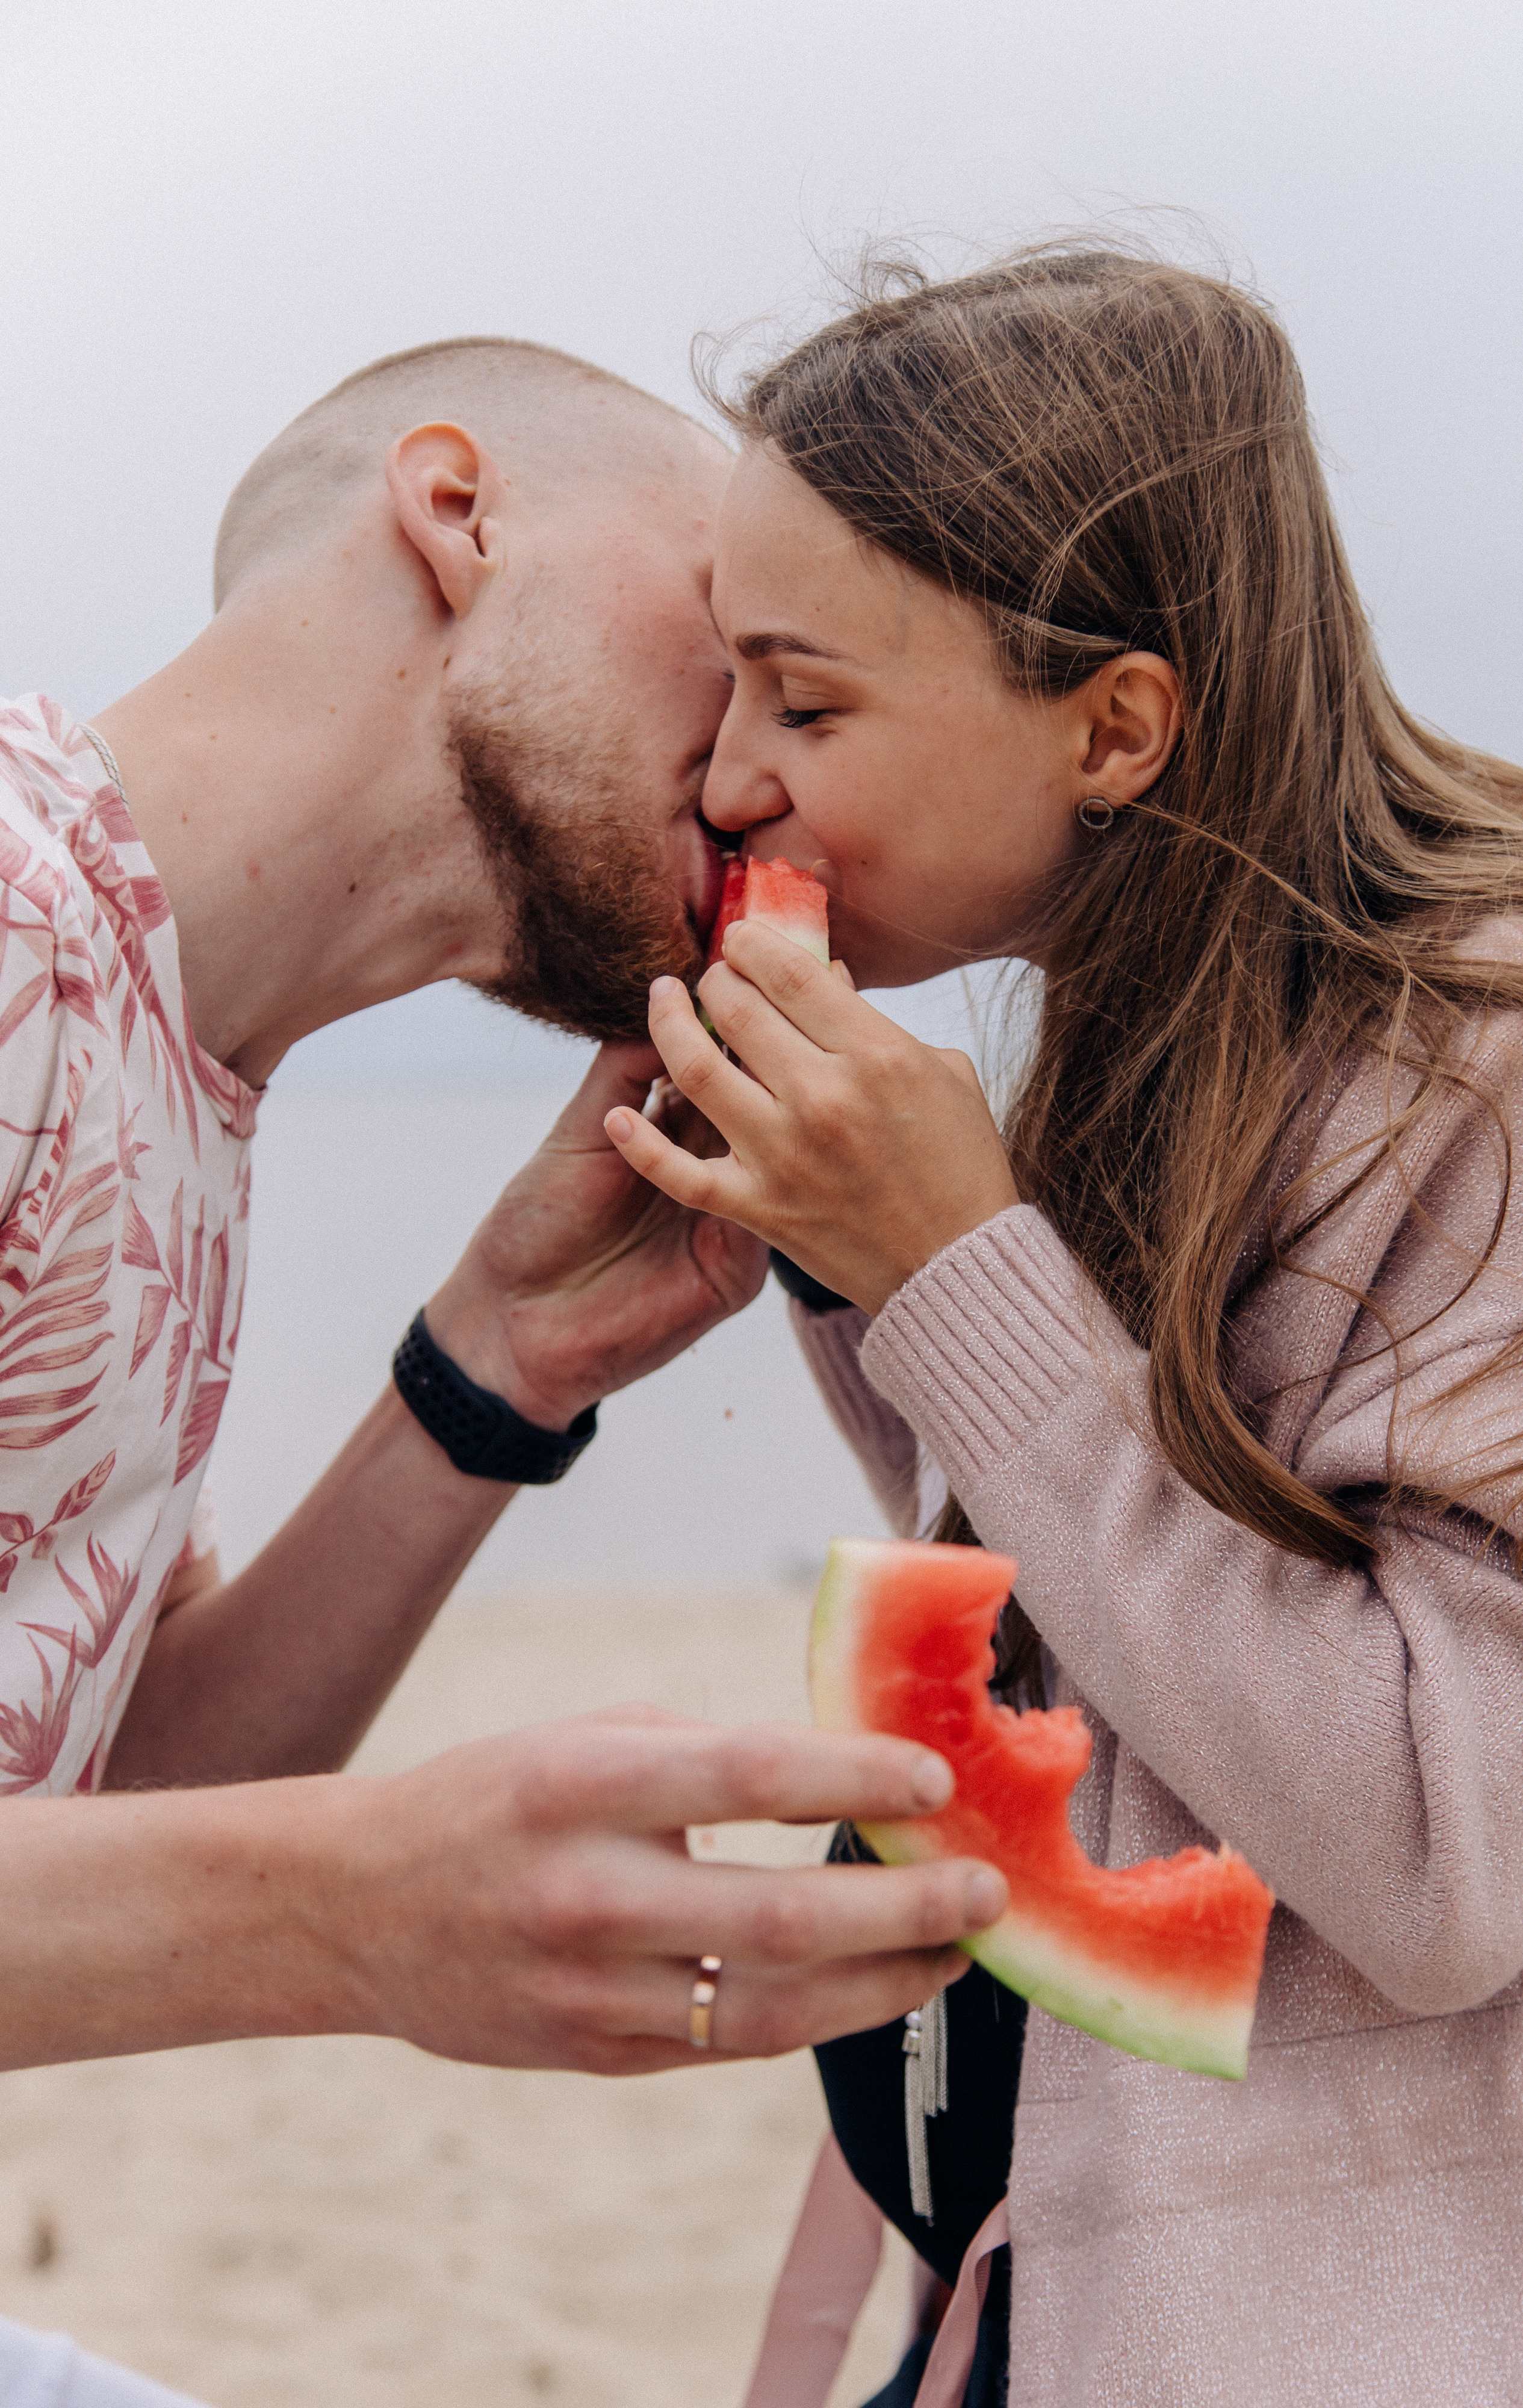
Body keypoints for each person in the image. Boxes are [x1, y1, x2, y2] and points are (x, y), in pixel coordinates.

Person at [0, 338, 1012, 2406]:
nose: (758, 770)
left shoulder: (162, 1067)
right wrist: (350, 1913)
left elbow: (113, 1825)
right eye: (729, 631)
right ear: (457, 510)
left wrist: (493, 1370)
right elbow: (230, 1887)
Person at [609, 246, 1523, 2406]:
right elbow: (1100, 1627)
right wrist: (851, 1259)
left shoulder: (1476, 1070)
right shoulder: (1165, 1035)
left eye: (803, 704)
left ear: (1112, 725)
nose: (726, 781)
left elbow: (1441, 1861)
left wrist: (953, 1273)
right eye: (724, 692)